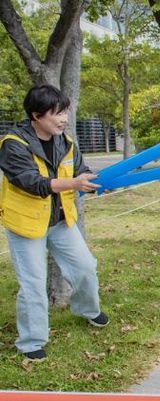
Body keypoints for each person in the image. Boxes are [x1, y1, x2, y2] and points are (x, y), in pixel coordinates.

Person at [0, 85, 109, 361]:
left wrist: (94, 182)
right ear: (36, 115)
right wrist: (73, 183)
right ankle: (31, 342)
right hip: (26, 225)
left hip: (61, 220)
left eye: (65, 112)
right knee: (33, 283)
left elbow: (80, 170)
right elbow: (32, 183)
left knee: (85, 266)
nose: (63, 119)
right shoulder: (13, 144)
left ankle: (87, 309)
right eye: (57, 113)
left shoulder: (66, 142)